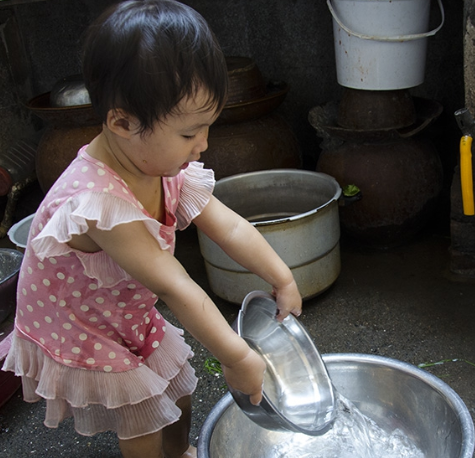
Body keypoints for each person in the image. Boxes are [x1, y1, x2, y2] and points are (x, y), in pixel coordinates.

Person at [3, 1, 302, 457]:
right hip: (82, 323)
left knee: (178, 384)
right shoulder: (98, 203)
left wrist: (281, 276)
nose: (202, 145)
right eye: (189, 134)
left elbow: (231, 227)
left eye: (207, 127)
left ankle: (180, 452)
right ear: (122, 122)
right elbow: (177, 286)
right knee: (141, 410)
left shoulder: (157, 164)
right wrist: (237, 357)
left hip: (122, 307)